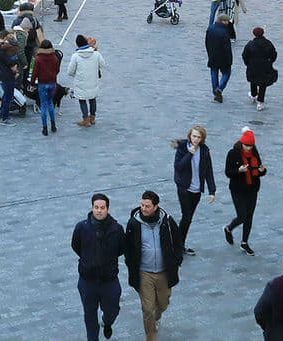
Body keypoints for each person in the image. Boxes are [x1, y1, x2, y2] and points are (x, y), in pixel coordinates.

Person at [123, 190, 183, 341]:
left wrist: (177, 259)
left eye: (147, 206)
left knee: (163, 302)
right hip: (144, 272)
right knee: (148, 309)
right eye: (142, 205)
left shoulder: (167, 222)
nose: (143, 208)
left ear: (155, 206)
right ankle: (150, 336)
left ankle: (157, 317)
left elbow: (177, 241)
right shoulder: (133, 224)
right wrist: (130, 264)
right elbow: (128, 247)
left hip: (164, 271)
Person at [71, 192, 124, 341]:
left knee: (112, 309)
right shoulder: (82, 227)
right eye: (96, 207)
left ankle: (107, 322)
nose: (99, 210)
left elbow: (121, 249)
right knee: (89, 314)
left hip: (109, 280)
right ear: (92, 208)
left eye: (102, 207)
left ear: (107, 209)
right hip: (87, 281)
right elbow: (76, 245)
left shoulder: (116, 229)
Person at [171, 125, 216, 256]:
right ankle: (177, 246)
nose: (195, 139)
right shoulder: (183, 148)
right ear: (190, 136)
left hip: (197, 189)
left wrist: (212, 190)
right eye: (194, 136)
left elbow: (208, 171)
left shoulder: (204, 150)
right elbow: (178, 167)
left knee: (188, 219)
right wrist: (189, 153)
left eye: (198, 137)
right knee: (186, 217)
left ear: (202, 138)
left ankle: (179, 245)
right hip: (184, 188)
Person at [224, 127, 266, 255]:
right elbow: (228, 172)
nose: (248, 148)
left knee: (249, 216)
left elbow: (259, 168)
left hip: (252, 188)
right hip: (238, 189)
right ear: (242, 143)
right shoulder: (233, 153)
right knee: (242, 215)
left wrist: (262, 171)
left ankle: (244, 242)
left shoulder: (254, 153)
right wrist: (239, 171)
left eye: (251, 146)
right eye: (246, 145)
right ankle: (229, 228)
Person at [66, 35, 106, 127]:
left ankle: (85, 119)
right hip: (93, 80)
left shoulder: (75, 56)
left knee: (82, 100)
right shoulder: (96, 54)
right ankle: (92, 118)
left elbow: (70, 71)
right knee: (92, 98)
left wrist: (77, 75)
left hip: (81, 82)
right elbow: (103, 64)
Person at [242, 27, 279, 111]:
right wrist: (270, 62)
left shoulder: (250, 44)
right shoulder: (268, 43)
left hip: (253, 66)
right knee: (263, 84)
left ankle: (253, 94)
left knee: (253, 80)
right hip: (265, 66)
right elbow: (274, 54)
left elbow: (245, 55)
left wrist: (247, 63)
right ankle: (260, 102)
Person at [31, 38, 61, 136]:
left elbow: (35, 72)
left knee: (43, 105)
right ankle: (53, 124)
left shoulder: (38, 59)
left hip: (42, 83)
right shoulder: (55, 58)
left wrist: (32, 83)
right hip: (52, 83)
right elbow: (57, 70)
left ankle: (45, 128)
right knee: (50, 103)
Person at [205, 12, 234, 103]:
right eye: (227, 21)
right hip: (223, 58)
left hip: (212, 55)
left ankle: (215, 91)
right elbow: (227, 48)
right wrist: (230, 60)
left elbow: (206, 43)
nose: (228, 23)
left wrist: (209, 54)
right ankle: (219, 88)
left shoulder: (210, 28)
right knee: (226, 73)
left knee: (214, 73)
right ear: (223, 21)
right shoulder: (224, 32)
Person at [0, 33, 21, 126]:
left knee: (6, 96)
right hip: (8, 77)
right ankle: (4, 117)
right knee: (8, 97)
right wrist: (16, 70)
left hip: (3, 75)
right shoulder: (6, 56)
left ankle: (3, 115)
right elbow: (13, 65)